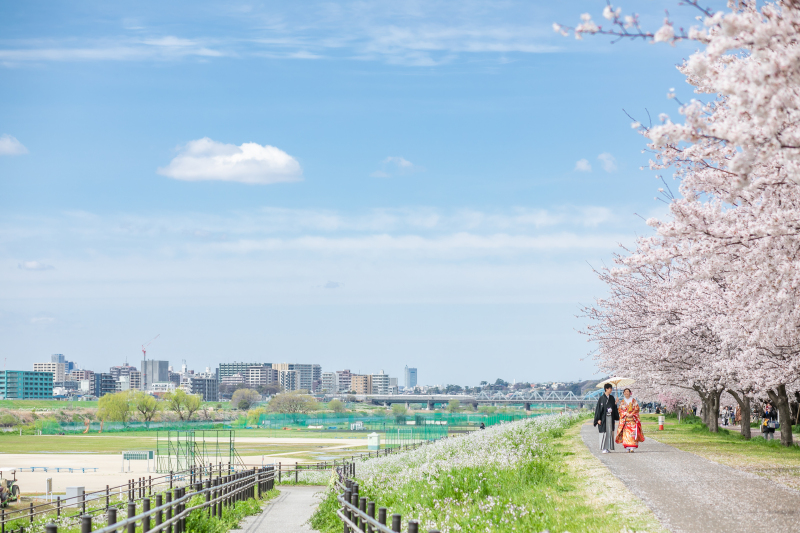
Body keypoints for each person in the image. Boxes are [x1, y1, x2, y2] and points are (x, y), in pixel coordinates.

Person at [616, 388, 645, 452]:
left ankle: (632, 448)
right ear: (623, 393)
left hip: (632, 420)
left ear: (630, 393)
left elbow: (637, 409)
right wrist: (625, 413)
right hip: (626, 420)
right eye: (625, 392)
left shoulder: (634, 401)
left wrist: (632, 414)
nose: (626, 393)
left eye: (627, 392)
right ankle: (627, 448)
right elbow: (620, 410)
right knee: (626, 434)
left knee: (633, 433)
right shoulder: (622, 402)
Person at [594, 383, 619, 453]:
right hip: (603, 418)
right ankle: (603, 448)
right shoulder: (601, 398)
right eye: (610, 388)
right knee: (603, 432)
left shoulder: (612, 398)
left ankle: (607, 448)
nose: (611, 390)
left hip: (610, 418)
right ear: (606, 389)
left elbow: (613, 407)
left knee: (609, 432)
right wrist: (598, 419)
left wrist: (615, 403)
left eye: (611, 388)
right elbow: (598, 409)